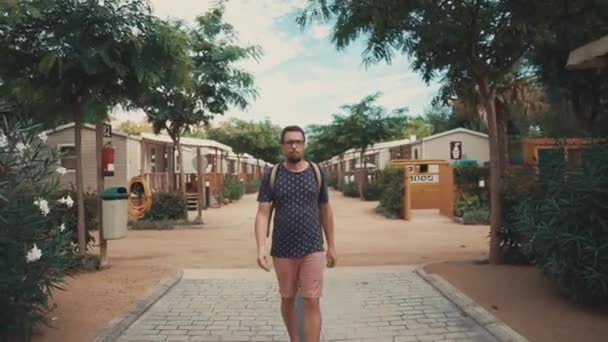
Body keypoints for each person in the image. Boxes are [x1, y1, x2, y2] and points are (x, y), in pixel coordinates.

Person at [254, 125, 337, 342]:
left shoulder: (317, 173)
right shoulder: (272, 175)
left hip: (312, 247)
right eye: (289, 142)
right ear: (282, 146)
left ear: (304, 145)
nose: (294, 146)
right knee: (288, 298)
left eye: (298, 142)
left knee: (311, 299)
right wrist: (261, 247)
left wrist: (332, 246)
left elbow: (325, 211)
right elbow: (263, 213)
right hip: (282, 250)